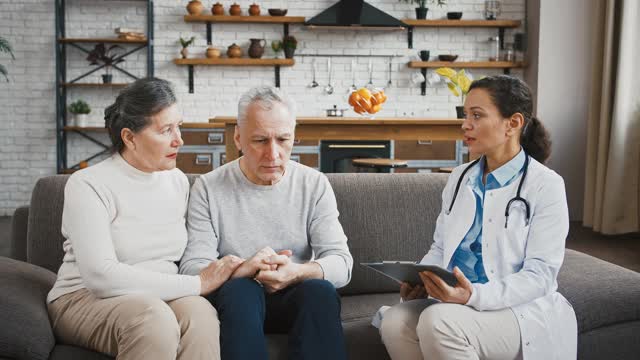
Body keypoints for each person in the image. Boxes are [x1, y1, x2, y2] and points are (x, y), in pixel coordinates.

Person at [378, 75, 577, 360]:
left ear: (513, 123)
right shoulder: (460, 178)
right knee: (395, 322)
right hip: (455, 303)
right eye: (465, 115)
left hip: (516, 311)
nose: (465, 124)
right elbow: (441, 247)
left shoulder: (546, 185)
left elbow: (541, 276)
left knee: (439, 323)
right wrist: (423, 279)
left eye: (477, 115)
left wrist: (473, 296)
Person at [47, 78, 243, 360]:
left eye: (179, 127)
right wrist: (197, 284)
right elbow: (101, 276)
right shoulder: (88, 184)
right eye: (166, 130)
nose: (180, 139)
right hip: (83, 297)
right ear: (130, 138)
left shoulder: (177, 182)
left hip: (159, 296)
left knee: (201, 315)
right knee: (153, 320)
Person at [180, 86, 353, 360]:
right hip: (236, 304)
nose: (273, 155)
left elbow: (343, 264)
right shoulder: (208, 187)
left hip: (295, 300)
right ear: (238, 137)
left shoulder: (314, 185)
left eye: (283, 140)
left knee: (319, 290)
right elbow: (192, 269)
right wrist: (243, 269)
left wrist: (296, 272)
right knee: (241, 289)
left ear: (294, 137)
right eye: (260, 140)